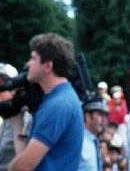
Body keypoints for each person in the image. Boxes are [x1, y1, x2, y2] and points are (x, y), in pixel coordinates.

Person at [7, 33, 83, 171]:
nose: (28, 64)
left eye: (33, 58)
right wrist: (17, 124)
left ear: (48, 65)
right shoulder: (59, 98)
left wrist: (10, 167)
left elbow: (24, 166)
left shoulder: (58, 104)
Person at [78, 97, 108, 171]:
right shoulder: (78, 140)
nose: (104, 119)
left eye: (105, 115)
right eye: (100, 114)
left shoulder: (96, 141)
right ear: (87, 117)